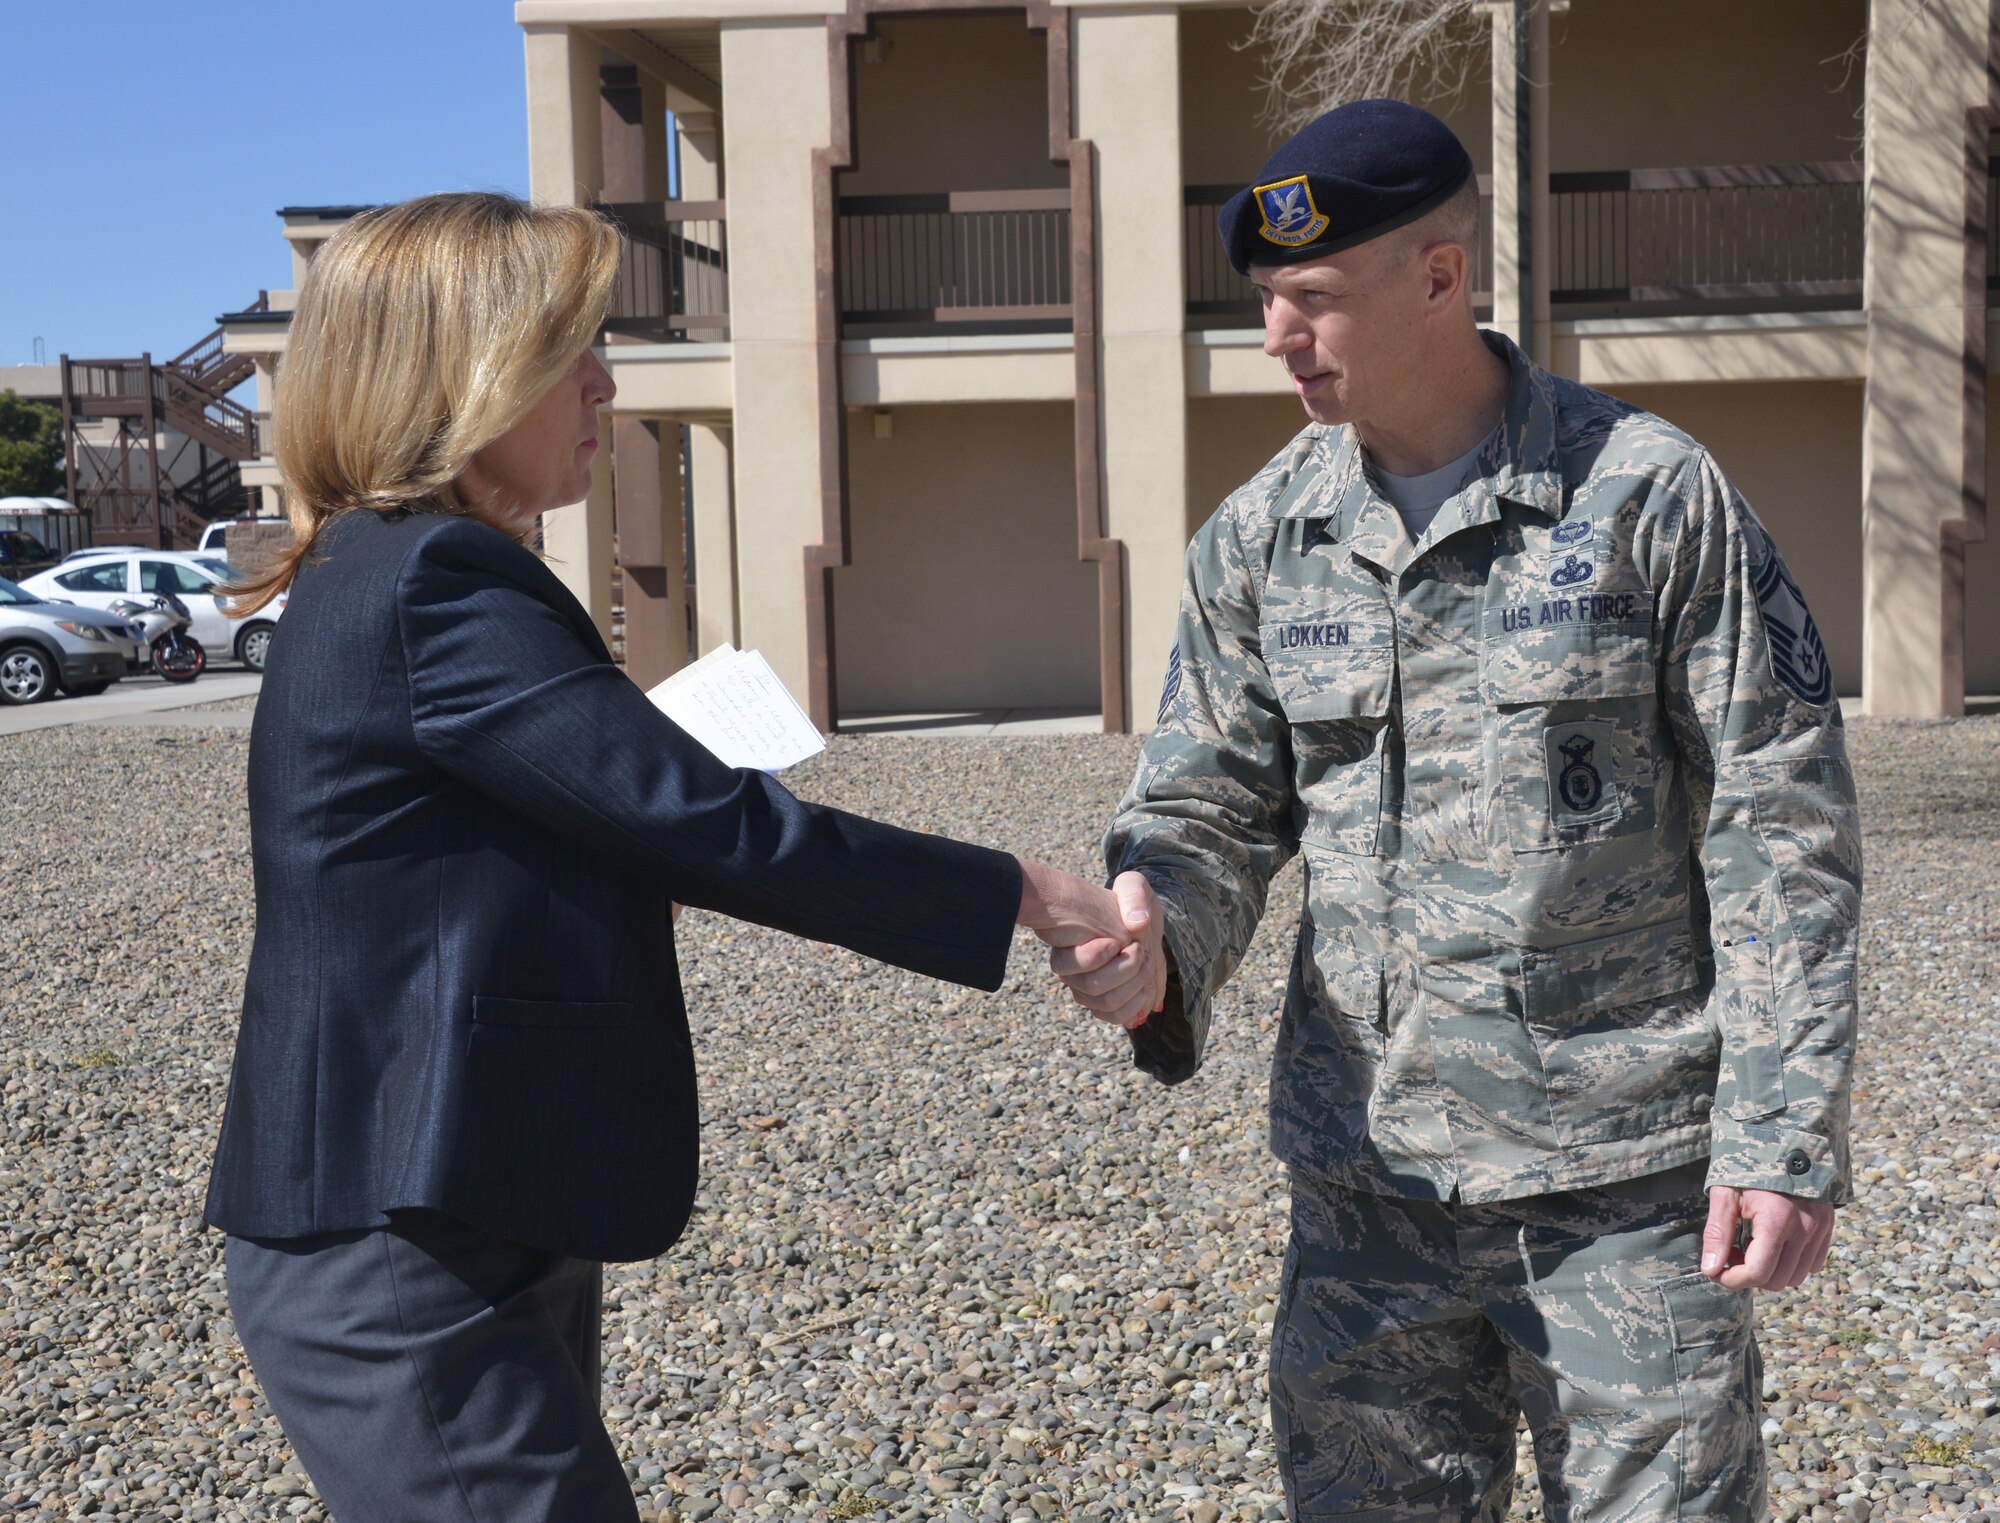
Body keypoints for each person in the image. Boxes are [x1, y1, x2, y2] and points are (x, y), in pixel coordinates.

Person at [204, 192, 1152, 1523]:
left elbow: (584, 797)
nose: (603, 383)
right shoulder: (434, 580)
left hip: (453, 1202)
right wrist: (1023, 891)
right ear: (465, 373)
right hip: (398, 1237)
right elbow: (703, 821)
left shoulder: (393, 568)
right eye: (569, 350)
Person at [1052, 102, 1861, 1521]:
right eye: (1264, 301)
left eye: (1313, 299)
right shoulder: (1262, 536)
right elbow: (1209, 801)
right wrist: (1159, 933)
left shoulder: (1647, 497)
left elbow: (1776, 816)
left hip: (1624, 1186)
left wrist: (1782, 1134)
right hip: (1369, 1185)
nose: (1277, 339)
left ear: (1440, 277)